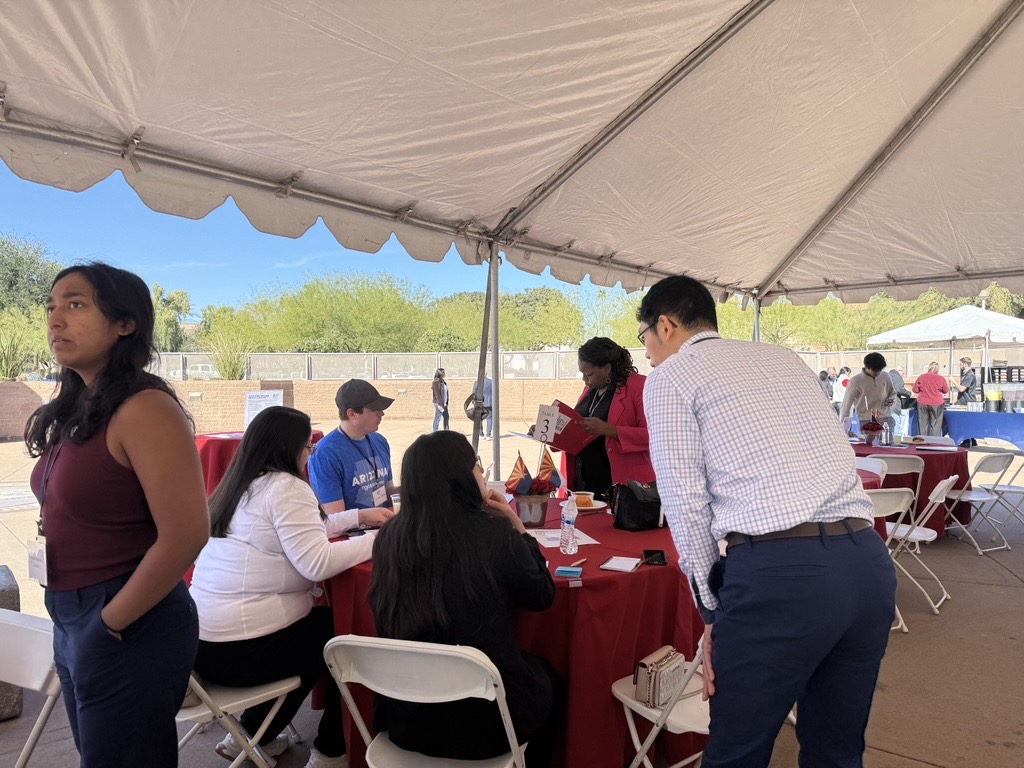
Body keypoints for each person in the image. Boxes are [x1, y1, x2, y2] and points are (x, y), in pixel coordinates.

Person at [637, 275, 895, 768]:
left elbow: (685, 503)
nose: (646, 352)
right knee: (837, 753)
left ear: (665, 326)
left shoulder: (671, 378)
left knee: (737, 753)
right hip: (867, 562)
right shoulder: (782, 358)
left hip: (782, 576)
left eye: (645, 338)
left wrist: (712, 612)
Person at [26, 263, 209, 768]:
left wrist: (108, 623)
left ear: (124, 324)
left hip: (129, 615)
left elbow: (188, 533)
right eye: (51, 307)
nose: (56, 319)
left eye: (76, 304)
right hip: (72, 612)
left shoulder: (145, 407)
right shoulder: (79, 407)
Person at [190, 406, 374, 768]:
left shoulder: (239, 483)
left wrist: (359, 517)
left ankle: (251, 733)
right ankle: (330, 750)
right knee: (343, 640)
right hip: (242, 653)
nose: (310, 454)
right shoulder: (287, 488)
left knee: (309, 637)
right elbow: (317, 561)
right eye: (308, 447)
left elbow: (304, 529)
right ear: (289, 448)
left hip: (200, 648)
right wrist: (380, 540)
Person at [368, 431, 560, 766]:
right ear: (459, 476)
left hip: (407, 718)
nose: (483, 474)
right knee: (549, 678)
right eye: (477, 467)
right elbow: (542, 594)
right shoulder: (494, 534)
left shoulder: (390, 537)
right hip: (486, 724)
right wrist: (516, 523)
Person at [564, 337, 656, 501]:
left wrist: (609, 430)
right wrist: (549, 432)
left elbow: (654, 435)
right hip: (585, 482)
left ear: (606, 368)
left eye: (588, 374)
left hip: (623, 483)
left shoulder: (639, 386)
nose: (585, 380)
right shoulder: (590, 390)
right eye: (583, 374)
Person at [307, 379, 398, 525]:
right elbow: (334, 519)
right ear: (352, 414)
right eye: (375, 409)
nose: (382, 413)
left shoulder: (379, 441)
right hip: (353, 538)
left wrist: (415, 488)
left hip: (383, 529)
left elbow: (387, 491)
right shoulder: (325, 455)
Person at [840, 352, 897, 436]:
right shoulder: (855, 381)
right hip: (866, 422)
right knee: (868, 447)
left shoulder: (885, 376)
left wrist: (890, 401)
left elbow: (893, 393)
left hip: (885, 419)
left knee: (888, 446)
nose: (878, 373)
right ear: (867, 367)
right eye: (875, 370)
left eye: (880, 370)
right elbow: (846, 405)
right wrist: (843, 428)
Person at [913, 361, 949, 436]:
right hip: (937, 403)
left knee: (922, 424)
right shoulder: (941, 378)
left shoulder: (922, 377)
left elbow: (915, 390)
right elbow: (945, 391)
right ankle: (934, 442)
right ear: (937, 369)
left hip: (922, 402)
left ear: (929, 368)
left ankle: (922, 441)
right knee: (936, 425)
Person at [889, 366, 913, 437]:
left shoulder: (887, 376)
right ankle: (895, 442)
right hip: (893, 404)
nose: (903, 374)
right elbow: (899, 389)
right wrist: (909, 393)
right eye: (903, 372)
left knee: (887, 424)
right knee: (896, 424)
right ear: (899, 371)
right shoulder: (896, 376)